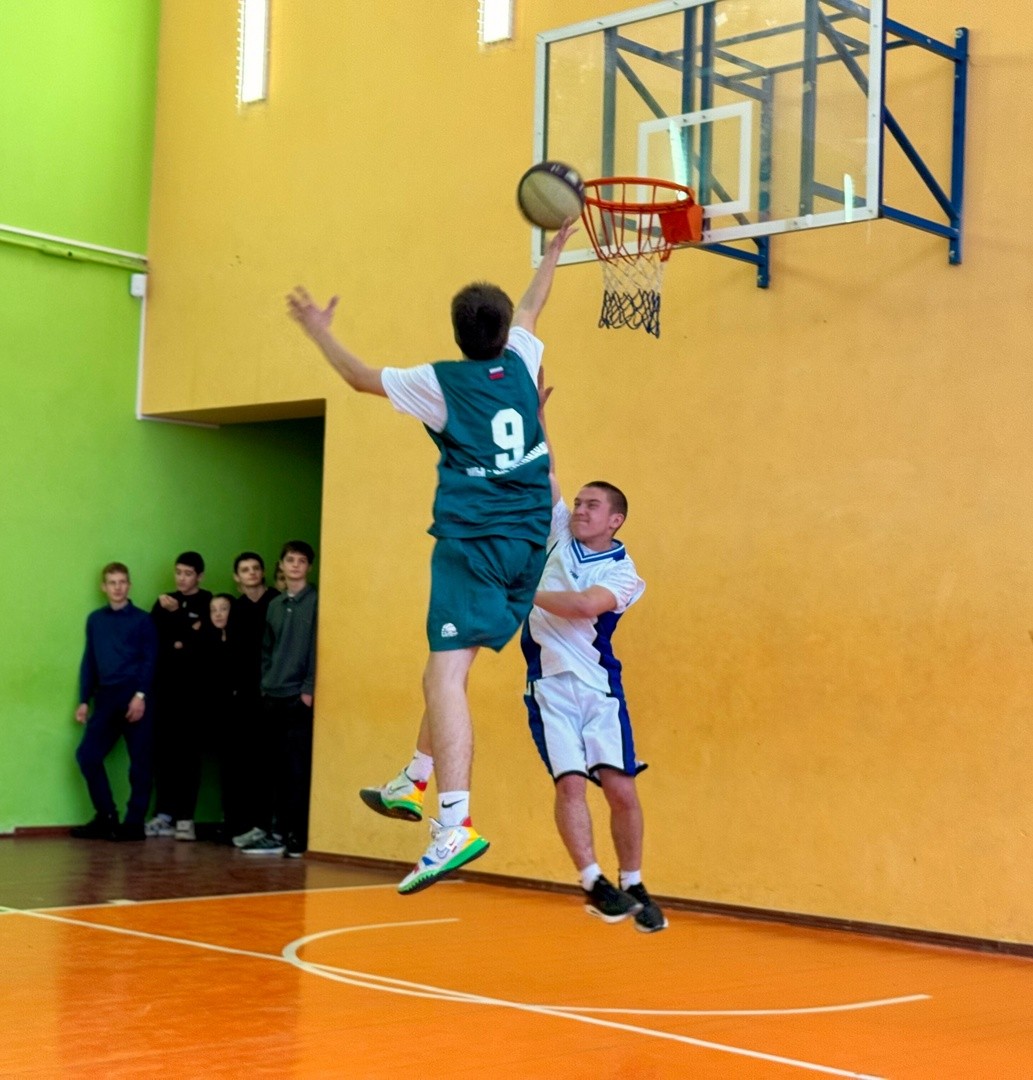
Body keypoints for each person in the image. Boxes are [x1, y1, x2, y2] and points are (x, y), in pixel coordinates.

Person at [286, 221, 574, 893]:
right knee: (443, 665)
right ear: (503, 329)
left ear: (458, 334)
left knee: (447, 677)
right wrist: (555, 249)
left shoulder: (440, 383)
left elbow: (358, 377)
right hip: (529, 541)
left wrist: (318, 330)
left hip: (475, 542)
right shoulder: (522, 357)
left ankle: (454, 825)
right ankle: (414, 780)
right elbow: (533, 306)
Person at [521, 474, 666, 932]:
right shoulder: (558, 533)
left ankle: (633, 882)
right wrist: (534, 430)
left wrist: (521, 592)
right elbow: (544, 471)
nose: (580, 510)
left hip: (600, 689)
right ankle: (592, 881)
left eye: (592, 505)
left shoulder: (624, 573)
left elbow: (585, 605)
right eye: (579, 502)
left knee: (621, 790)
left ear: (614, 521)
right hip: (549, 685)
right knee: (570, 784)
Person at [239, 540, 318, 858]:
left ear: (308, 567)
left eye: (301, 560)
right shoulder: (274, 605)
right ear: (281, 565)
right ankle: (274, 832)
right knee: (271, 770)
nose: (295, 565)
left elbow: (317, 647)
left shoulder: (317, 601)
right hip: (272, 694)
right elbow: (267, 649)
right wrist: (265, 683)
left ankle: (295, 836)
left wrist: (308, 689)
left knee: (296, 770)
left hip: (298, 697)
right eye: (290, 560)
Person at [71, 562, 159, 842]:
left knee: (140, 763)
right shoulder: (95, 620)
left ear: (129, 585)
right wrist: (83, 700)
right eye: (112, 582)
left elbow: (150, 660)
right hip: (106, 697)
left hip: (136, 696)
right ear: (104, 587)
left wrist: (141, 695)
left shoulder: (143, 620)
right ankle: (106, 816)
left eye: (122, 582)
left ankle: (134, 824)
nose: (118, 587)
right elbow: (90, 660)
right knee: (87, 755)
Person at [146, 551, 212, 841]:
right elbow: (154, 641)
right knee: (163, 754)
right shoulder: (163, 602)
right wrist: (180, 634)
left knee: (189, 757)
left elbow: (202, 642)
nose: (181, 578)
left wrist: (178, 617)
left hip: (194, 694)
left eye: (188, 573)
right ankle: (164, 815)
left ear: (200, 576)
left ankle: (186, 818)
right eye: (178, 572)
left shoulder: (208, 603)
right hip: (164, 691)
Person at [225, 552, 277, 844]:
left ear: (263, 572)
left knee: (270, 761)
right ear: (237, 576)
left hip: (273, 691)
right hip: (245, 695)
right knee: (246, 761)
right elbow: (234, 652)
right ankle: (246, 824)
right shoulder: (238, 608)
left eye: (256, 568)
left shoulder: (275, 601)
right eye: (245, 569)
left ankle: (269, 824)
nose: (251, 573)